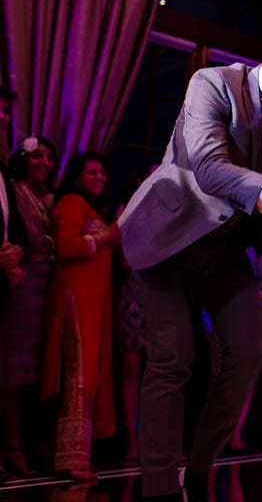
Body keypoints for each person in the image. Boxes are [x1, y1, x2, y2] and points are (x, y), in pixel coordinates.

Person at [119, 10, 262, 502]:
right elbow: (208, 168)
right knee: (173, 359)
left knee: (247, 354)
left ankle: (199, 472)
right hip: (167, 241)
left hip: (227, 253)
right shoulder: (211, 84)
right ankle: (158, 490)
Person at [41, 153, 121, 480]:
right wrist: (108, 235)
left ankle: (78, 458)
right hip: (75, 299)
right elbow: (67, 247)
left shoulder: (88, 206)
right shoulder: (72, 202)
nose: (99, 177)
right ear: (76, 176)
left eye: (103, 172)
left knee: (86, 374)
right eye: (91, 172)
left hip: (92, 301)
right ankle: (70, 460)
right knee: (77, 373)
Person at [0, 136, 55, 476]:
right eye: (38, 156)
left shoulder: (37, 196)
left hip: (39, 287)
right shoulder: (16, 190)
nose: (45, 163)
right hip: (22, 284)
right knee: (11, 368)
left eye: (49, 157)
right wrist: (49, 244)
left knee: (25, 372)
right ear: (23, 159)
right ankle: (11, 445)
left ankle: (19, 442)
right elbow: (35, 240)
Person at [0, 88, 27, 483]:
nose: (4, 119)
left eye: (7, 112)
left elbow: (15, 227)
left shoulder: (5, 174)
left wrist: (16, 250)